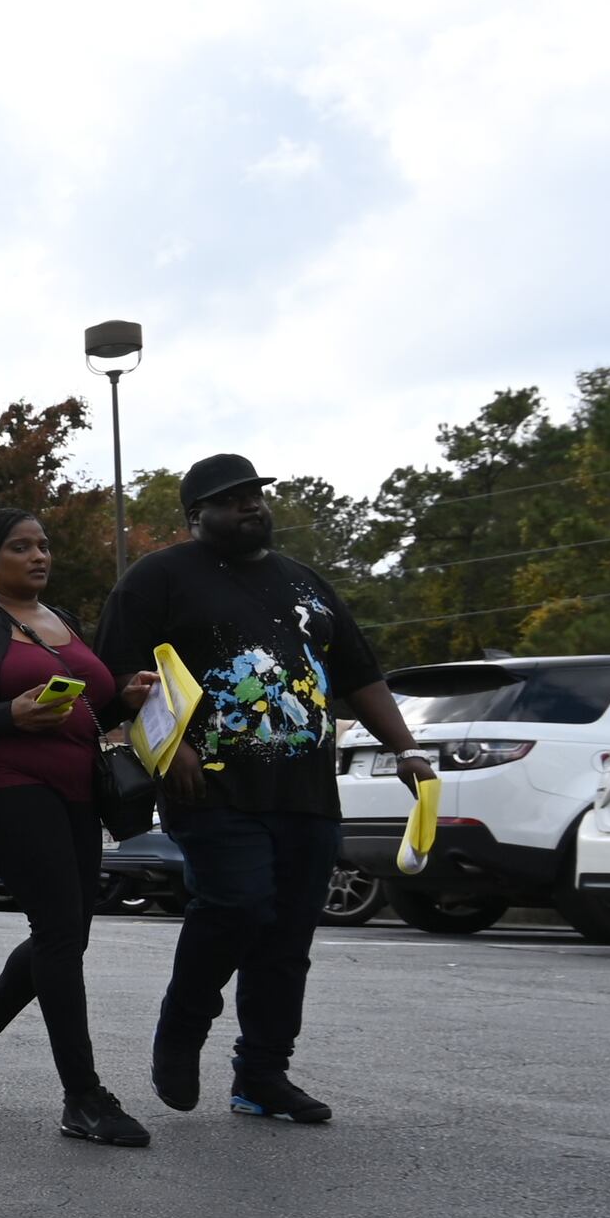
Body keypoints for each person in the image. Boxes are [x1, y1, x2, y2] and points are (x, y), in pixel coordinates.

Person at [94, 454, 435, 1123]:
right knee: (237, 906)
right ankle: (182, 1026)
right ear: (197, 515)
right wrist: (173, 745)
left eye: (255, 495)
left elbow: (360, 674)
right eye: (233, 499)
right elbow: (117, 680)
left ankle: (261, 1075)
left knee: (287, 941)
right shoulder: (157, 580)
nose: (252, 506)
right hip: (211, 784)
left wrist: (408, 748)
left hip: (306, 790)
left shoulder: (304, 584)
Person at [0, 510, 159, 1146]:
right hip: (4, 788)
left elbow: (89, 707)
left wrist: (125, 698)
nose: (38, 556)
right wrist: (7, 713)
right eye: (21, 547)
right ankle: (83, 1098)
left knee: (65, 938)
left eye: (43, 545)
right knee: (58, 930)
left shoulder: (63, 621)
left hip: (79, 792)